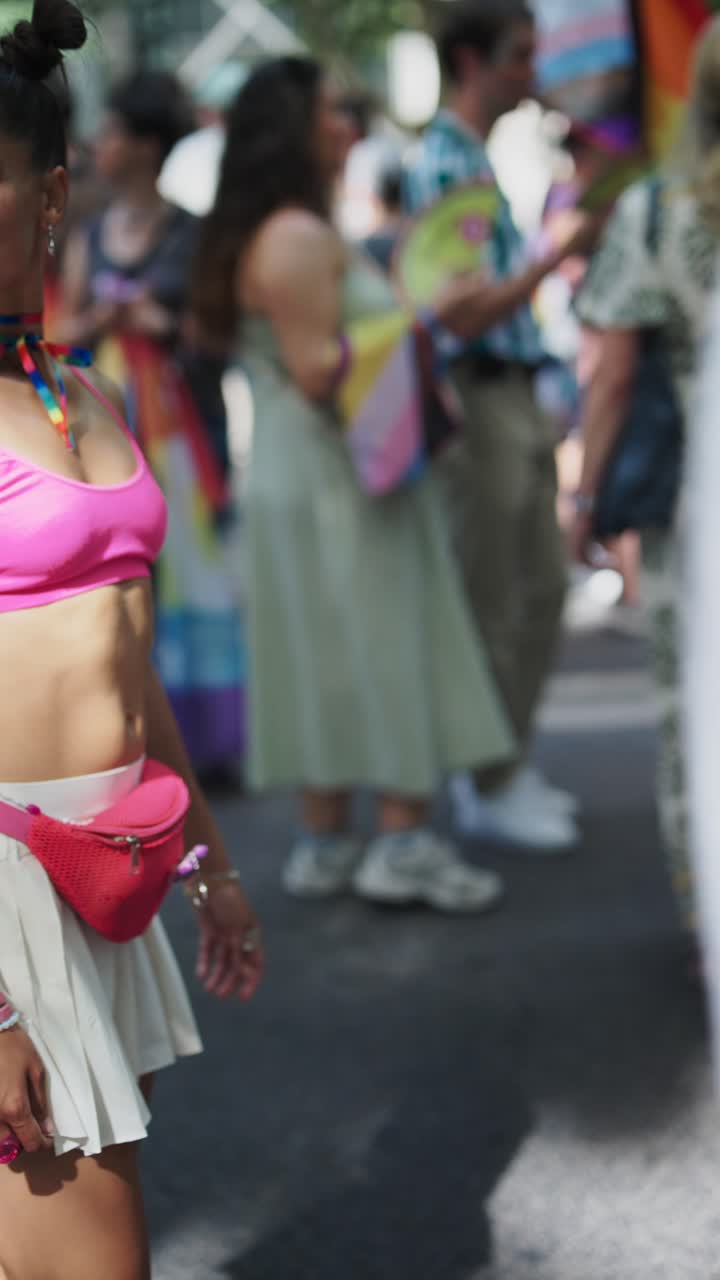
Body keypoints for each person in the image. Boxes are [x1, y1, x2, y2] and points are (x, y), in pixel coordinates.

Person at [0, 2, 263, 1276]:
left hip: (110, 872)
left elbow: (129, 663)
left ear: (51, 196)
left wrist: (208, 860)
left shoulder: (81, 390)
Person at [194, 56, 517, 912]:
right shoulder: (296, 236)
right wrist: (429, 317)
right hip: (341, 477)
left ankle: (328, 840)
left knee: (327, 653)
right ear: (293, 131)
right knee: (387, 642)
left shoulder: (277, 230)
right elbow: (316, 371)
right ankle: (402, 843)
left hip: (314, 472)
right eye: (333, 111)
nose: (349, 124)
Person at [405, 0, 598, 851]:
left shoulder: (464, 156)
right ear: (472, 61)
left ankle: (500, 768)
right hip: (481, 396)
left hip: (506, 393)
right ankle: (488, 779)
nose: (532, 70)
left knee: (537, 588)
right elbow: (461, 312)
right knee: (501, 596)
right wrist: (555, 254)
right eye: (519, 54)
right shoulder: (447, 160)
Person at [572, 19, 720, 939]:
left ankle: (707, 924)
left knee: (693, 710)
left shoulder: (659, 212)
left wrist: (586, 496)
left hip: (697, 507)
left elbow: (615, 376)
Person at [60, 71, 244, 778]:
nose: (99, 144)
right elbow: (65, 335)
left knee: (193, 578)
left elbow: (218, 336)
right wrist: (103, 321)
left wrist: (159, 323)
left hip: (184, 438)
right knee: (123, 578)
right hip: (110, 430)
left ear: (143, 144)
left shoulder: (193, 234)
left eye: (111, 132)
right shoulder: (91, 232)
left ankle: (202, 741)